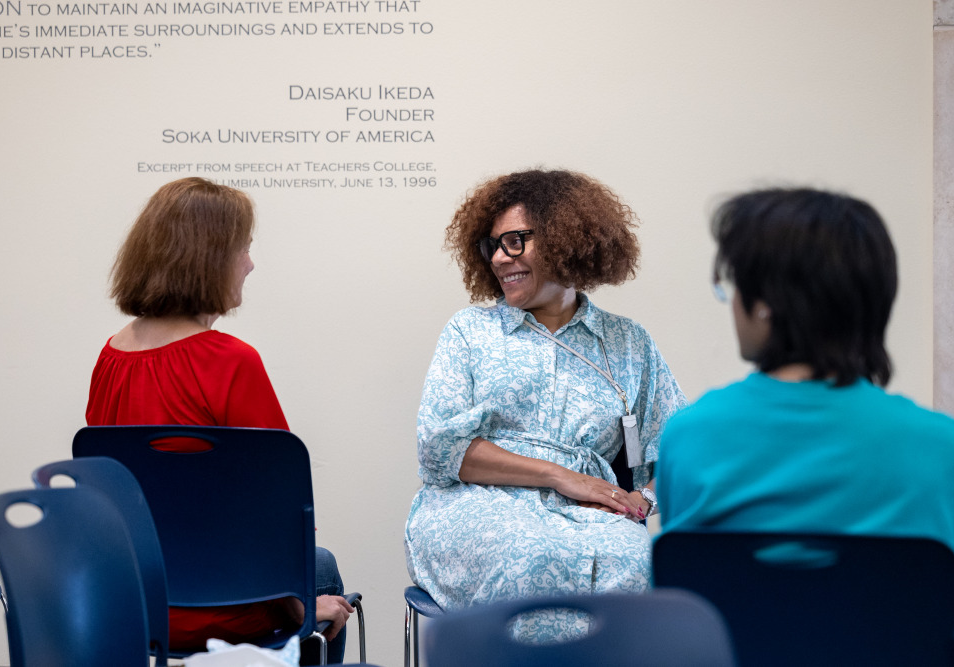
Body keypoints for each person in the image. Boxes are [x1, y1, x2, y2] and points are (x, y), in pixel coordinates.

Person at [404, 169, 686, 640]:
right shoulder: (470, 331)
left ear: (566, 240)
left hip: (590, 515)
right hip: (479, 505)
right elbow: (441, 449)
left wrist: (644, 499)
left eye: (515, 241)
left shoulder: (628, 342)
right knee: (530, 557)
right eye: (491, 245)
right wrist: (561, 476)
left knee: (639, 562)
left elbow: (677, 446)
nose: (499, 257)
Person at [86, 177, 353, 662]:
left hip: (138, 600)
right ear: (206, 257)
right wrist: (303, 609)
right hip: (225, 608)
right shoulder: (229, 360)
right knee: (323, 571)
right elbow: (277, 513)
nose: (250, 264)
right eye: (243, 249)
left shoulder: (110, 357)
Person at [657, 187, 954, 562]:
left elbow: (687, 604)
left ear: (766, 303)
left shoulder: (690, 436)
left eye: (735, 285)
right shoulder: (948, 450)